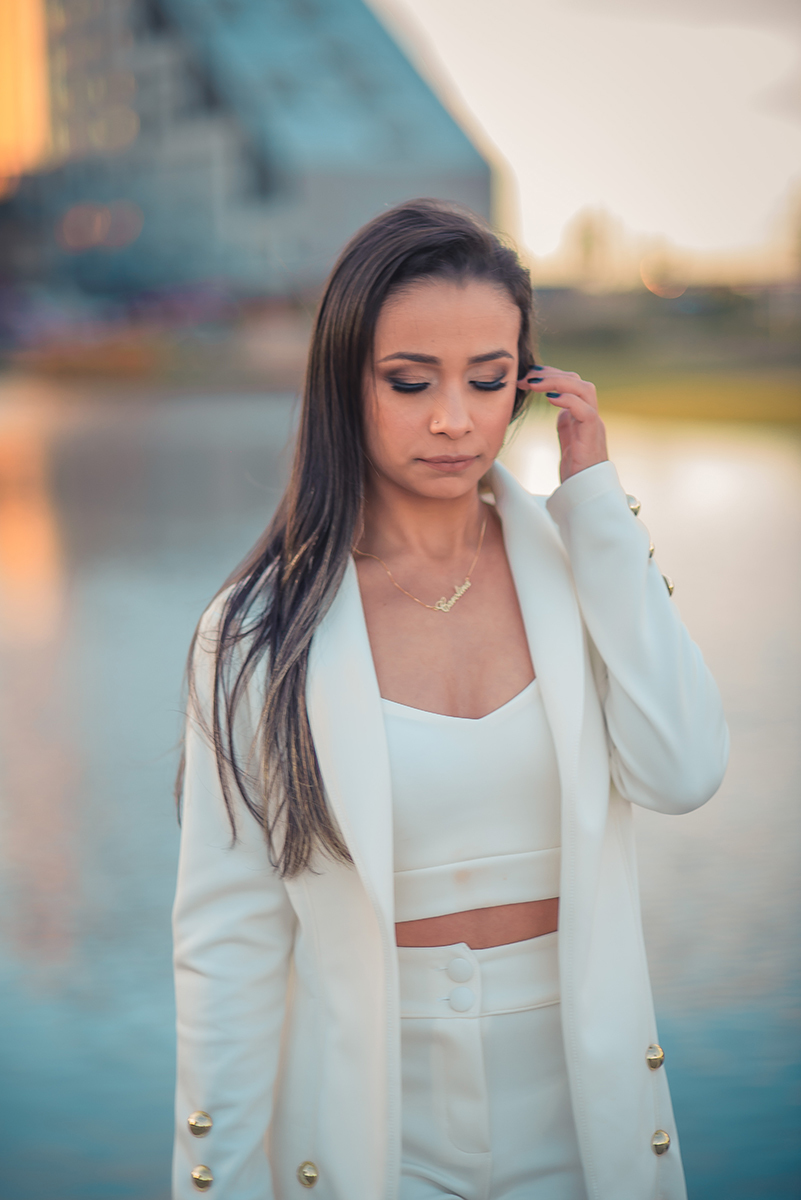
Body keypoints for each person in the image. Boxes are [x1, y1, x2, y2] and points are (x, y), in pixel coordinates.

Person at [171, 199, 728, 1200]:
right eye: (409, 380)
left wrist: (599, 508)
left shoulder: (577, 574)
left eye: (486, 380)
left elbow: (683, 772)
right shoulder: (258, 634)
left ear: (525, 381)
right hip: (374, 1118)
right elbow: (229, 945)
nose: (454, 419)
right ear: (348, 383)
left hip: (579, 1101)